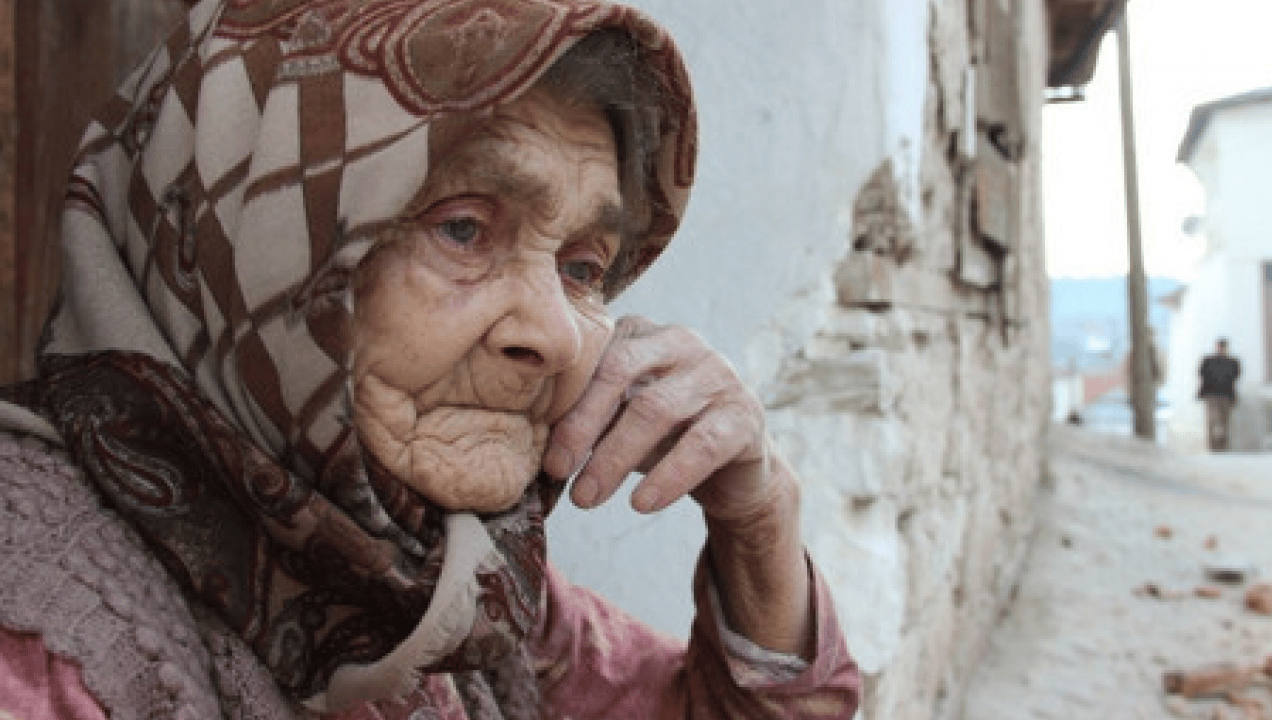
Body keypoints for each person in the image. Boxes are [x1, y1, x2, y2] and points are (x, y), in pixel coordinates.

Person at [0, 0, 861, 717]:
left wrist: (757, 526)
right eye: (463, 228)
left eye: (582, 268)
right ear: (246, 245)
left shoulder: (449, 582)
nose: (558, 337)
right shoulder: (42, 636)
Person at [1197, 338, 1242, 451]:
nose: (1221, 349)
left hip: (1226, 395)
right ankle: (1212, 447)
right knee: (1212, 421)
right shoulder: (1208, 361)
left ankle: (1222, 447)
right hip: (1212, 395)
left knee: (1224, 422)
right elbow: (1201, 373)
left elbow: (1236, 375)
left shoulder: (1232, 362)